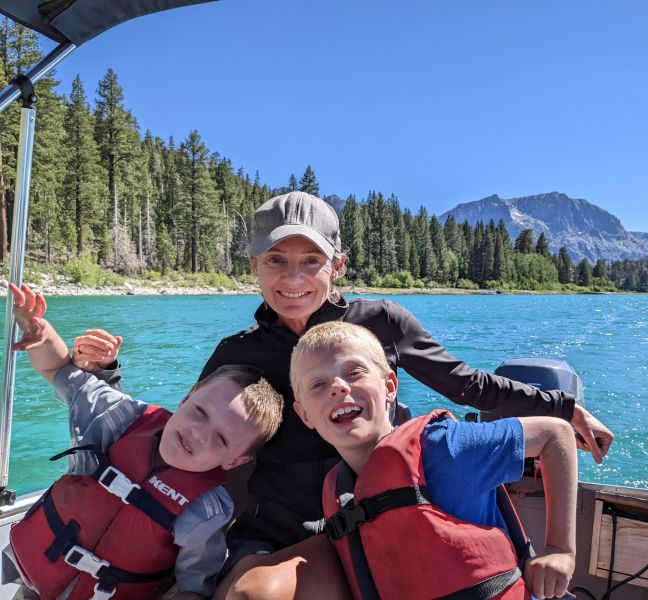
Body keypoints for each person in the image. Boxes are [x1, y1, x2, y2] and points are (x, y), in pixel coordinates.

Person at [77, 191, 613, 600]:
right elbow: (187, 433)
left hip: (388, 512)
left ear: (338, 265)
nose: (294, 278)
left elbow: (467, 384)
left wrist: (561, 407)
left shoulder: (381, 323)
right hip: (277, 528)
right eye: (275, 261)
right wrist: (104, 379)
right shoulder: (236, 352)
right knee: (249, 594)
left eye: (311, 260)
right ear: (253, 267)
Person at [2, 283, 284, 600]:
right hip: (33, 582)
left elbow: (193, 585)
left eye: (220, 438)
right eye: (200, 411)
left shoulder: (206, 512)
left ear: (235, 461)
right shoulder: (118, 419)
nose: (198, 433)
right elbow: (57, 368)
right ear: (188, 396)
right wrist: (40, 334)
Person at [290, 321, 578, 599]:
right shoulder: (340, 493)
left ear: (390, 387)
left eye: (354, 373)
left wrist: (560, 550)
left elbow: (555, 435)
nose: (338, 387)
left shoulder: (444, 446)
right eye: (318, 384)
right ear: (305, 415)